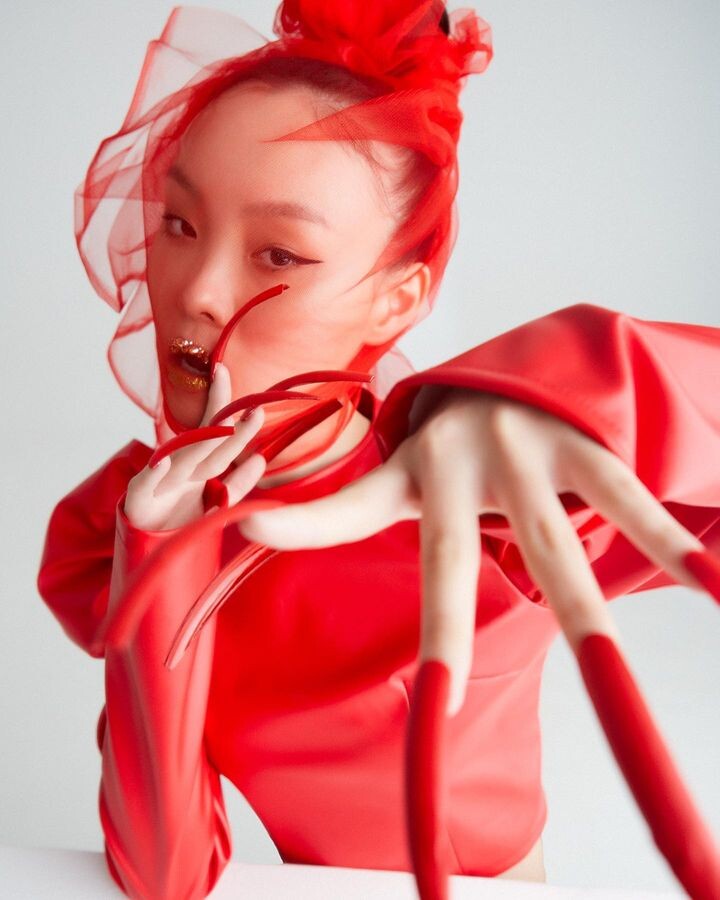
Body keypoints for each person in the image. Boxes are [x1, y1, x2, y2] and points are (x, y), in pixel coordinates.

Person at [36, 3, 720, 898]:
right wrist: (157, 558)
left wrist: (584, 386)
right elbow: (165, 874)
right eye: (178, 224)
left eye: (279, 254)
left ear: (398, 300)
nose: (197, 290)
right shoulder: (133, 527)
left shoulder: (488, 507)